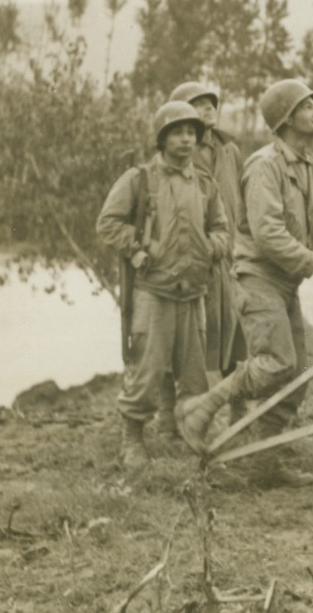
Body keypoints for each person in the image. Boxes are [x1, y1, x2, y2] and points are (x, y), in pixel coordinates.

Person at [176, 79, 313, 488]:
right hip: (258, 277)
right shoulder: (264, 165)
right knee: (277, 362)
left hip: (284, 283)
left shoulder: (308, 165)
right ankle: (201, 408)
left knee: (295, 371)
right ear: (287, 120)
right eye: (307, 107)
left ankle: (267, 461)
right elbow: (267, 234)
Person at [96, 101, 230, 469]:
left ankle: (191, 437)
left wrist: (211, 247)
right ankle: (133, 441)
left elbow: (222, 229)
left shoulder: (205, 184)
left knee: (194, 375)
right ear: (162, 138)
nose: (187, 140)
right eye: (178, 132)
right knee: (147, 369)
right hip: (153, 291)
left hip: (193, 293)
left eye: (192, 133)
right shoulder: (139, 180)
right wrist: (137, 249)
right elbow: (108, 223)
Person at [169, 82, 246, 374]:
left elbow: (240, 203)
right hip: (195, 262)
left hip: (230, 261)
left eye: (211, 102)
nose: (209, 107)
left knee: (236, 337)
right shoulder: (180, 156)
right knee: (199, 342)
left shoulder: (230, 151)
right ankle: (196, 411)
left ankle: (239, 414)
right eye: (198, 103)